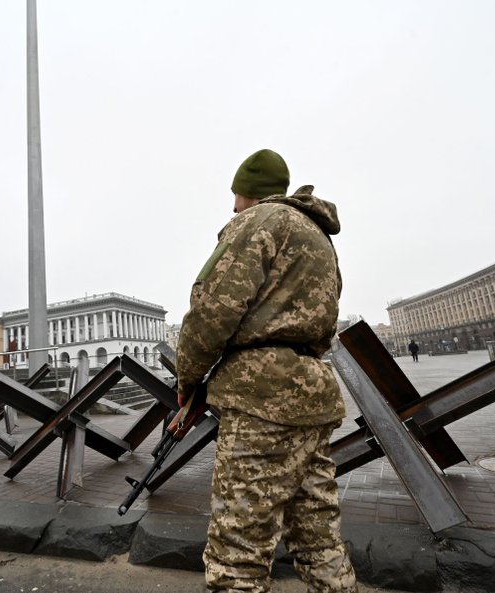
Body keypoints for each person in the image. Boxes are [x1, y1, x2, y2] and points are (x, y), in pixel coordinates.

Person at [175, 149, 357, 593]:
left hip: (260, 397)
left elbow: (212, 310)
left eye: (235, 199)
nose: (232, 209)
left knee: (238, 547)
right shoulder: (319, 237)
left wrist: (188, 380)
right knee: (318, 534)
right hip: (312, 391)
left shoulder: (255, 222)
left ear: (246, 193)